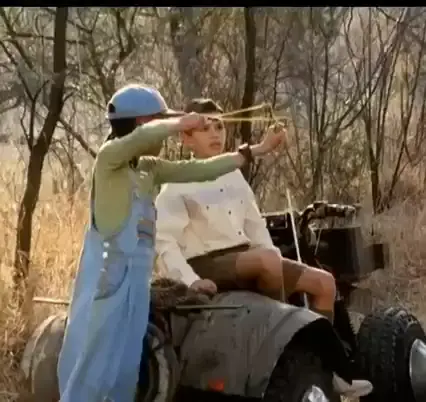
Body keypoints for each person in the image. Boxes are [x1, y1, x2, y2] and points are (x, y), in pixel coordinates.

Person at [57, 85, 286, 402]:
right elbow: (138, 139)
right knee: (94, 360)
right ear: (142, 123)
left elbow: (202, 169)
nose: (165, 134)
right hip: (107, 281)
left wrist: (255, 150)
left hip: (136, 284)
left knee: (126, 366)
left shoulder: (149, 169)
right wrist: (180, 122)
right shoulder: (109, 160)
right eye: (159, 122)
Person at [155, 97, 373, 398]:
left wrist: (277, 262)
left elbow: (256, 227)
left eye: (220, 126)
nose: (216, 134)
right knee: (266, 261)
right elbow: (164, 242)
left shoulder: (233, 175)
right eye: (206, 128)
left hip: (249, 257)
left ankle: (325, 366)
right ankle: (283, 349)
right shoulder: (176, 184)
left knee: (324, 283)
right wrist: (191, 281)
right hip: (206, 263)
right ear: (186, 138)